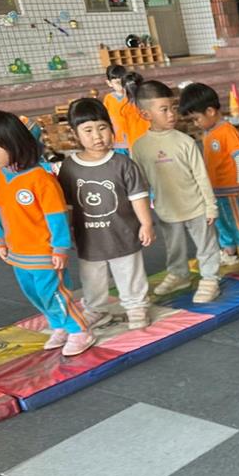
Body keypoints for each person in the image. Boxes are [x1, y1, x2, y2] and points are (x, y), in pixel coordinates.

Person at [0, 110, 92, 356]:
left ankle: (79, 330)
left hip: (44, 252)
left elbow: (57, 217)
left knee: (53, 293)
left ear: (13, 143)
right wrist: (1, 240)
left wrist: (60, 248)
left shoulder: (40, 178)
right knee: (35, 294)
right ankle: (59, 325)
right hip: (18, 252)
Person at [58, 99, 154, 331]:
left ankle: (136, 307)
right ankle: (96, 309)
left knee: (130, 272)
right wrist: (66, 231)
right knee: (92, 277)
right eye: (88, 130)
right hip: (89, 239)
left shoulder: (123, 163)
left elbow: (138, 196)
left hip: (123, 233)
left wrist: (146, 224)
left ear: (111, 128)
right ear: (75, 134)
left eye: (102, 128)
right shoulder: (69, 167)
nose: (97, 136)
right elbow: (67, 205)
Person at [131, 80, 222, 303]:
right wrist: (143, 216)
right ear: (145, 114)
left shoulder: (185, 141)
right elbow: (140, 184)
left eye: (173, 107)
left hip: (197, 206)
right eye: (164, 109)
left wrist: (210, 206)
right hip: (167, 209)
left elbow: (201, 176)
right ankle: (179, 274)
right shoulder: (139, 147)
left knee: (207, 245)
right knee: (174, 247)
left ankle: (211, 278)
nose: (172, 114)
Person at [179, 82, 239, 278]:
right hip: (215, 190)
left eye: (196, 119)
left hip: (230, 190)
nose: (195, 124)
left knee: (238, 223)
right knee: (221, 224)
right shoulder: (208, 132)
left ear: (210, 111)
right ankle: (230, 252)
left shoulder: (227, 131)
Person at [103, 65, 130, 154]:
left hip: (134, 137)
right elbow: (105, 119)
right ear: (109, 83)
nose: (121, 85)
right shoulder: (108, 99)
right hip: (118, 140)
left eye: (123, 81)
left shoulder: (132, 97)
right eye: (117, 82)